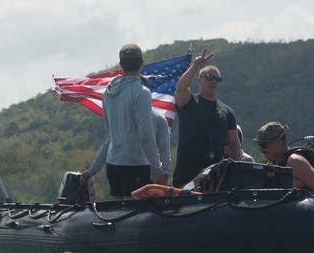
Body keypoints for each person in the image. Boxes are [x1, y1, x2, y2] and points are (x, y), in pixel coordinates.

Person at [81, 43, 165, 199]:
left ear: (121, 65)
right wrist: (157, 168)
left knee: (119, 216)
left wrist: (93, 169)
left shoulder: (108, 94)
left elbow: (109, 137)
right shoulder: (142, 93)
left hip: (113, 165)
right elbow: (145, 134)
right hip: (135, 165)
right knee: (136, 217)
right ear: (142, 62)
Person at [172, 49, 243, 187]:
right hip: (187, 171)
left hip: (215, 173)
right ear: (199, 80)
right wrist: (195, 66)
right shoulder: (189, 101)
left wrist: (236, 171)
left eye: (217, 79)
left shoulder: (227, 111)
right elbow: (180, 89)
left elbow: (234, 143)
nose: (213, 81)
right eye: (209, 78)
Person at [83, 108, 171, 199]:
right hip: (116, 167)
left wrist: (165, 173)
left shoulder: (158, 118)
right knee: (119, 208)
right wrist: (91, 171)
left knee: (133, 207)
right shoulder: (121, 116)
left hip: (136, 168)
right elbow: (107, 144)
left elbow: (164, 149)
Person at [255, 121, 314, 200]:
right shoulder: (272, 163)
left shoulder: (294, 161)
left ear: (277, 143)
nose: (261, 150)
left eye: (264, 145)